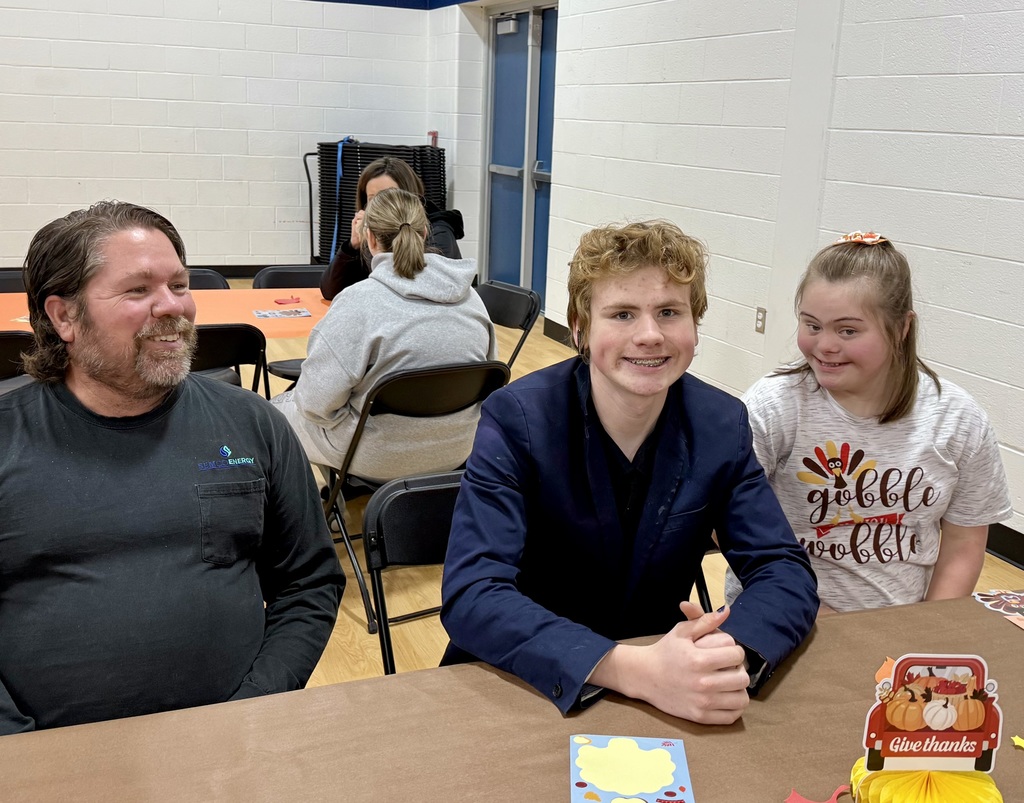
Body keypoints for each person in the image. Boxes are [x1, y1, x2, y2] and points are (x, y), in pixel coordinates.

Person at [440, 220, 818, 725]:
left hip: (662, 690)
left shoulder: (720, 424)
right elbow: (473, 592)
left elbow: (783, 569)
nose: (649, 334)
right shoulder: (519, 421)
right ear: (580, 326)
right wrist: (632, 668)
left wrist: (726, 655)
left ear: (695, 323)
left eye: (669, 312)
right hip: (523, 680)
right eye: (621, 314)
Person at [0, 201, 344, 736]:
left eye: (180, 286)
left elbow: (309, 581)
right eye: (138, 291)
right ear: (63, 316)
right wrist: (23, 751)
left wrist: (255, 708)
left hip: (235, 746)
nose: (173, 307)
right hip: (46, 762)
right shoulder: (7, 437)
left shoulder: (253, 423)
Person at [726, 231, 1012, 613]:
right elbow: (728, 524)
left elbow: (963, 544)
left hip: (897, 626)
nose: (825, 345)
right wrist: (799, 611)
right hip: (782, 617)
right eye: (812, 325)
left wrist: (925, 630)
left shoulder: (958, 419)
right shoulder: (774, 406)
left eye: (848, 330)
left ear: (901, 328)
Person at [274, 187, 495, 481]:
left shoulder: (357, 301)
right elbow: (487, 379)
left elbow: (315, 406)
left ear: (370, 238)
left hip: (373, 454)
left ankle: (313, 510)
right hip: (458, 449)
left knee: (269, 413)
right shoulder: (471, 299)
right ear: (426, 232)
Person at [320, 157, 465, 301]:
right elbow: (330, 291)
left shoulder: (439, 232)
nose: (381, 204)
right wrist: (352, 247)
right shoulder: (370, 232)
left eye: (390, 195)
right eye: (372, 198)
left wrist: (375, 249)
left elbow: (405, 288)